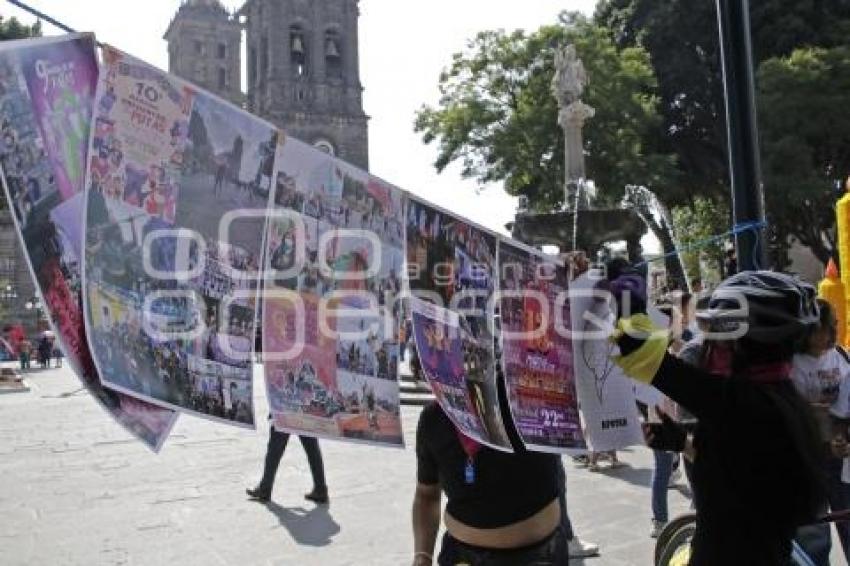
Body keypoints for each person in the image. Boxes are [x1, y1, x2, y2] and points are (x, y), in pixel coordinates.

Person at [614, 271, 827, 565]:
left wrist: (625, 292)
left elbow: (635, 351)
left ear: (740, 346)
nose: (708, 348)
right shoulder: (781, 399)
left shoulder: (740, 401)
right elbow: (739, 475)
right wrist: (683, 442)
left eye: (716, 339)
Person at [412, 401, 568, 565]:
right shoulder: (434, 417)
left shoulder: (531, 407)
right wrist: (423, 555)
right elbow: (426, 495)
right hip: (461, 556)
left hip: (538, 556)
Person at [790, 299, 850, 562]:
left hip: (840, 456)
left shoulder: (841, 356)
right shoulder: (791, 363)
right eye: (825, 328)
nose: (831, 334)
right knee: (814, 534)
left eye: (833, 326)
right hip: (807, 458)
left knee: (847, 521)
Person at [246, 424, 329, 504]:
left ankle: (264, 489)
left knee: (275, 446)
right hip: (303, 413)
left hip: (286, 411)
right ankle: (320, 489)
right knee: (311, 446)